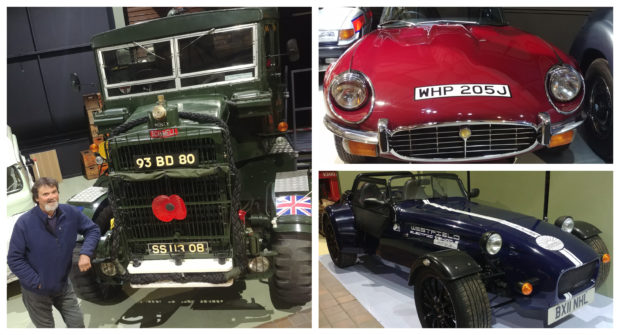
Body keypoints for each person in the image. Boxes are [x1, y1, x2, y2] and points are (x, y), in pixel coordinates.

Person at [8, 177, 101, 328]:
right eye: (45, 194)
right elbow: (14, 259)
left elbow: (92, 229)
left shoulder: (70, 213)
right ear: (37, 198)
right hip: (36, 292)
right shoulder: (24, 223)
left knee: (77, 324)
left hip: (63, 284)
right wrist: (37, 283)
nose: (51, 197)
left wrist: (86, 252)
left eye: (54, 192)